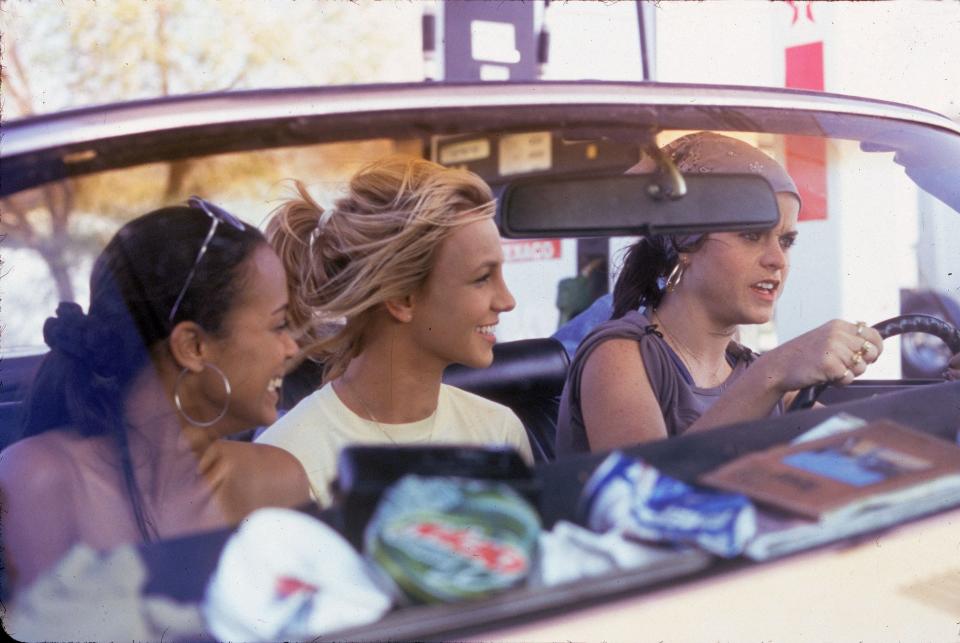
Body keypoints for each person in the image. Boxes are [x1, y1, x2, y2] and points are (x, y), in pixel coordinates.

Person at [0, 200, 312, 591]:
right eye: (278, 325)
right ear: (193, 346)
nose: (290, 349)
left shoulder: (279, 481)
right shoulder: (39, 480)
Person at [556, 132, 886, 455]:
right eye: (751, 235)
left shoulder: (752, 373)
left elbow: (867, 456)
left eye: (786, 241)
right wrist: (772, 373)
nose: (777, 260)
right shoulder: (618, 355)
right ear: (684, 241)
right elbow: (648, 493)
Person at [256, 156, 533, 507]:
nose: (507, 300)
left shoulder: (500, 430)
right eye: (482, 278)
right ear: (402, 299)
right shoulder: (289, 459)